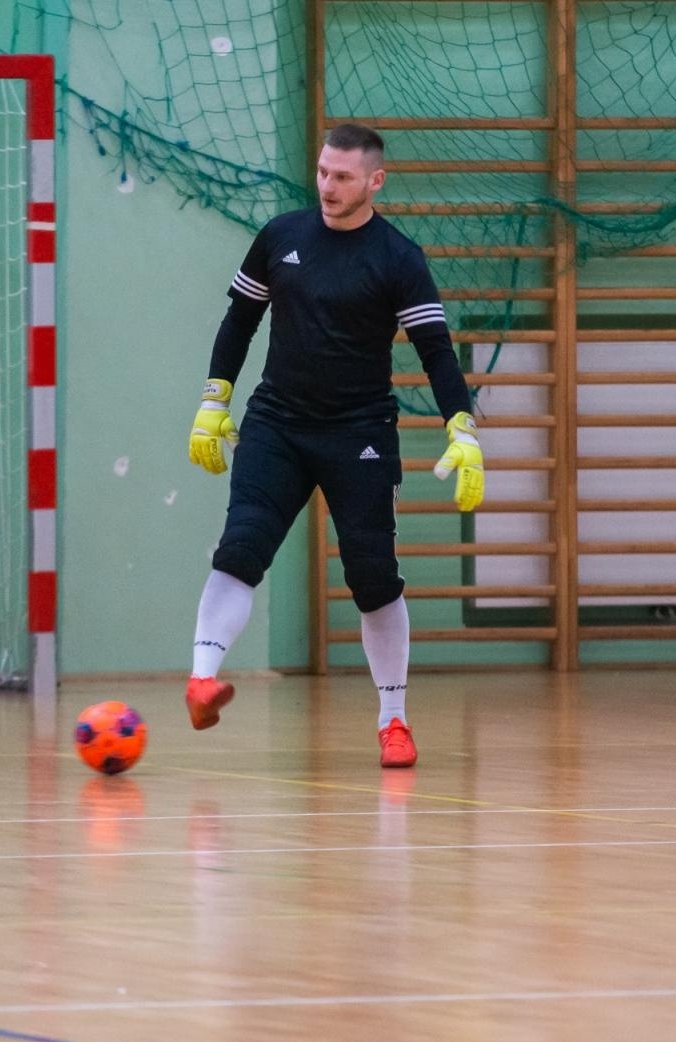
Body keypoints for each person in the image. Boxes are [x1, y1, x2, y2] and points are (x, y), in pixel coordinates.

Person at [184, 123, 484, 769]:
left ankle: (394, 720)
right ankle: (202, 678)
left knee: (372, 577)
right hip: (276, 425)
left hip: (360, 433)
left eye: (343, 176)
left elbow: (436, 350)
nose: (328, 185)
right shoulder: (281, 237)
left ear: (375, 181)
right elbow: (240, 319)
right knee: (241, 546)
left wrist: (462, 426)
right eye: (323, 171)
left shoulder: (398, 258)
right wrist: (215, 400)